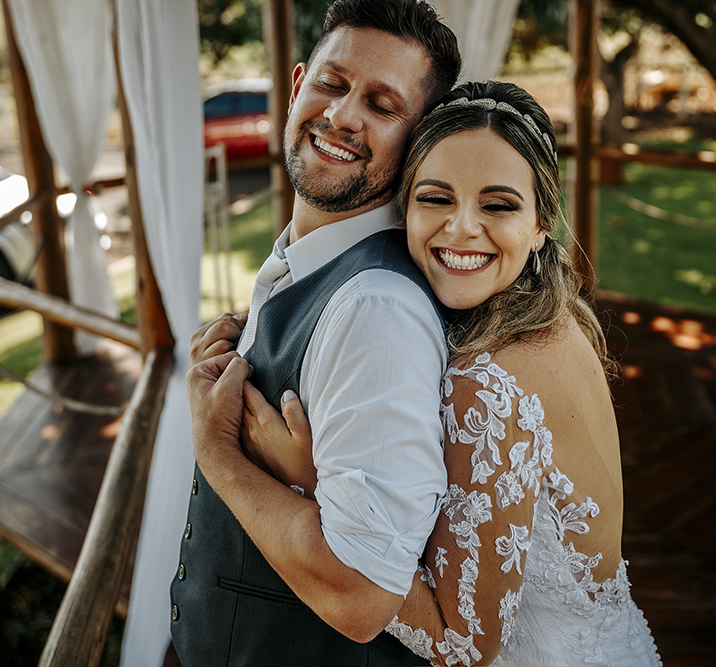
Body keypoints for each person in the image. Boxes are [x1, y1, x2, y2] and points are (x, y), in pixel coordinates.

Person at [223, 81, 664, 666]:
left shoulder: (486, 385)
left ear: (541, 225)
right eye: (436, 198)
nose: (460, 228)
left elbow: (464, 645)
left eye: (498, 205)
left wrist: (308, 482)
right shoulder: (557, 320)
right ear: (405, 208)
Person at [172, 1, 460, 665]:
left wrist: (216, 451)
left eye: (382, 104)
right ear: (298, 83)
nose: (342, 115)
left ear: (418, 142)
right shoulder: (311, 260)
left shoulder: (377, 308)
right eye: (332, 84)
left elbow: (362, 596)